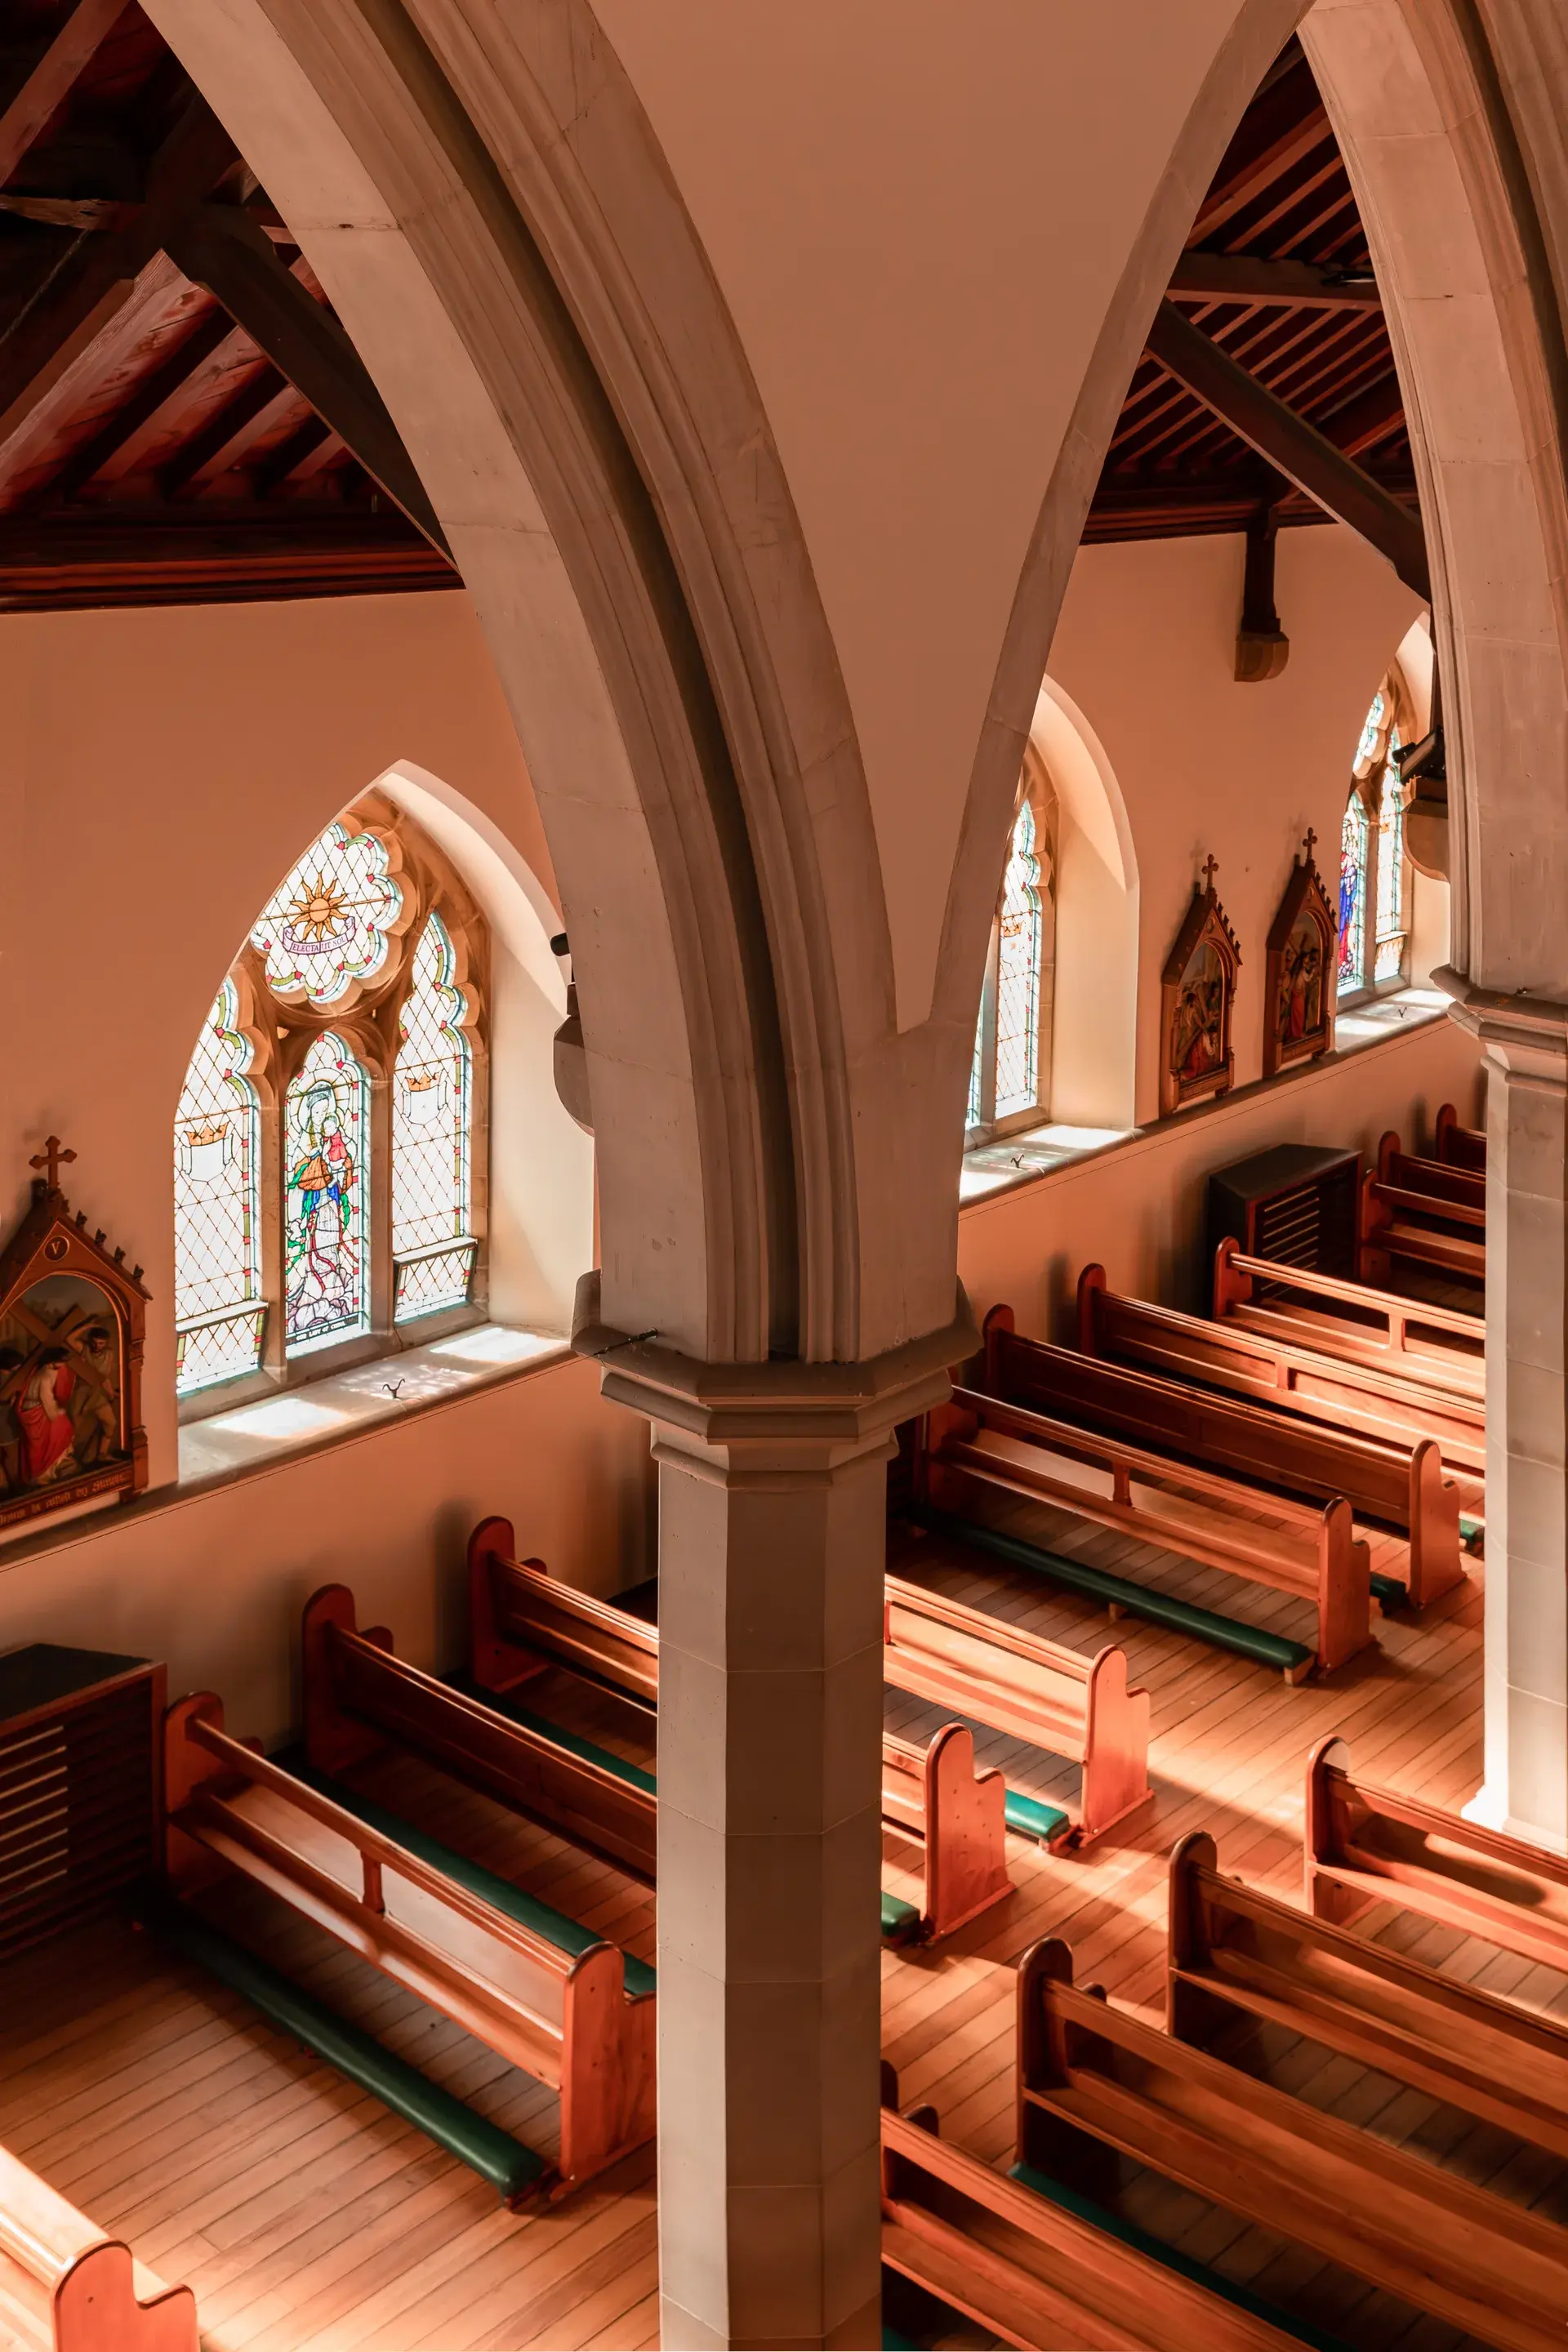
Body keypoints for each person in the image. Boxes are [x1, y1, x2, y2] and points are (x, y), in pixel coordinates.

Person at [17, 1348, 78, 1485]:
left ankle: (55, 1463)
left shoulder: (50, 1371)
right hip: (35, 1412)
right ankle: (39, 1475)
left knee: (60, 1431)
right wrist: (56, 1413)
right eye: (61, 1362)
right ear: (52, 1362)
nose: (63, 1365)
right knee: (39, 1445)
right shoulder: (45, 1376)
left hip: (40, 1409)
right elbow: (46, 1399)